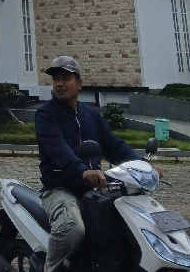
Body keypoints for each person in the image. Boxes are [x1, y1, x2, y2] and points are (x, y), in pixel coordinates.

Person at [32, 56, 139, 272]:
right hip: (60, 189)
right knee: (72, 228)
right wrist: (82, 171)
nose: (59, 84)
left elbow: (114, 145)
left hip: (95, 191)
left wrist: (142, 165)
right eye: (56, 79)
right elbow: (59, 149)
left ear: (79, 83)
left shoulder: (91, 114)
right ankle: (49, 268)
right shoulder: (46, 115)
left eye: (65, 78)